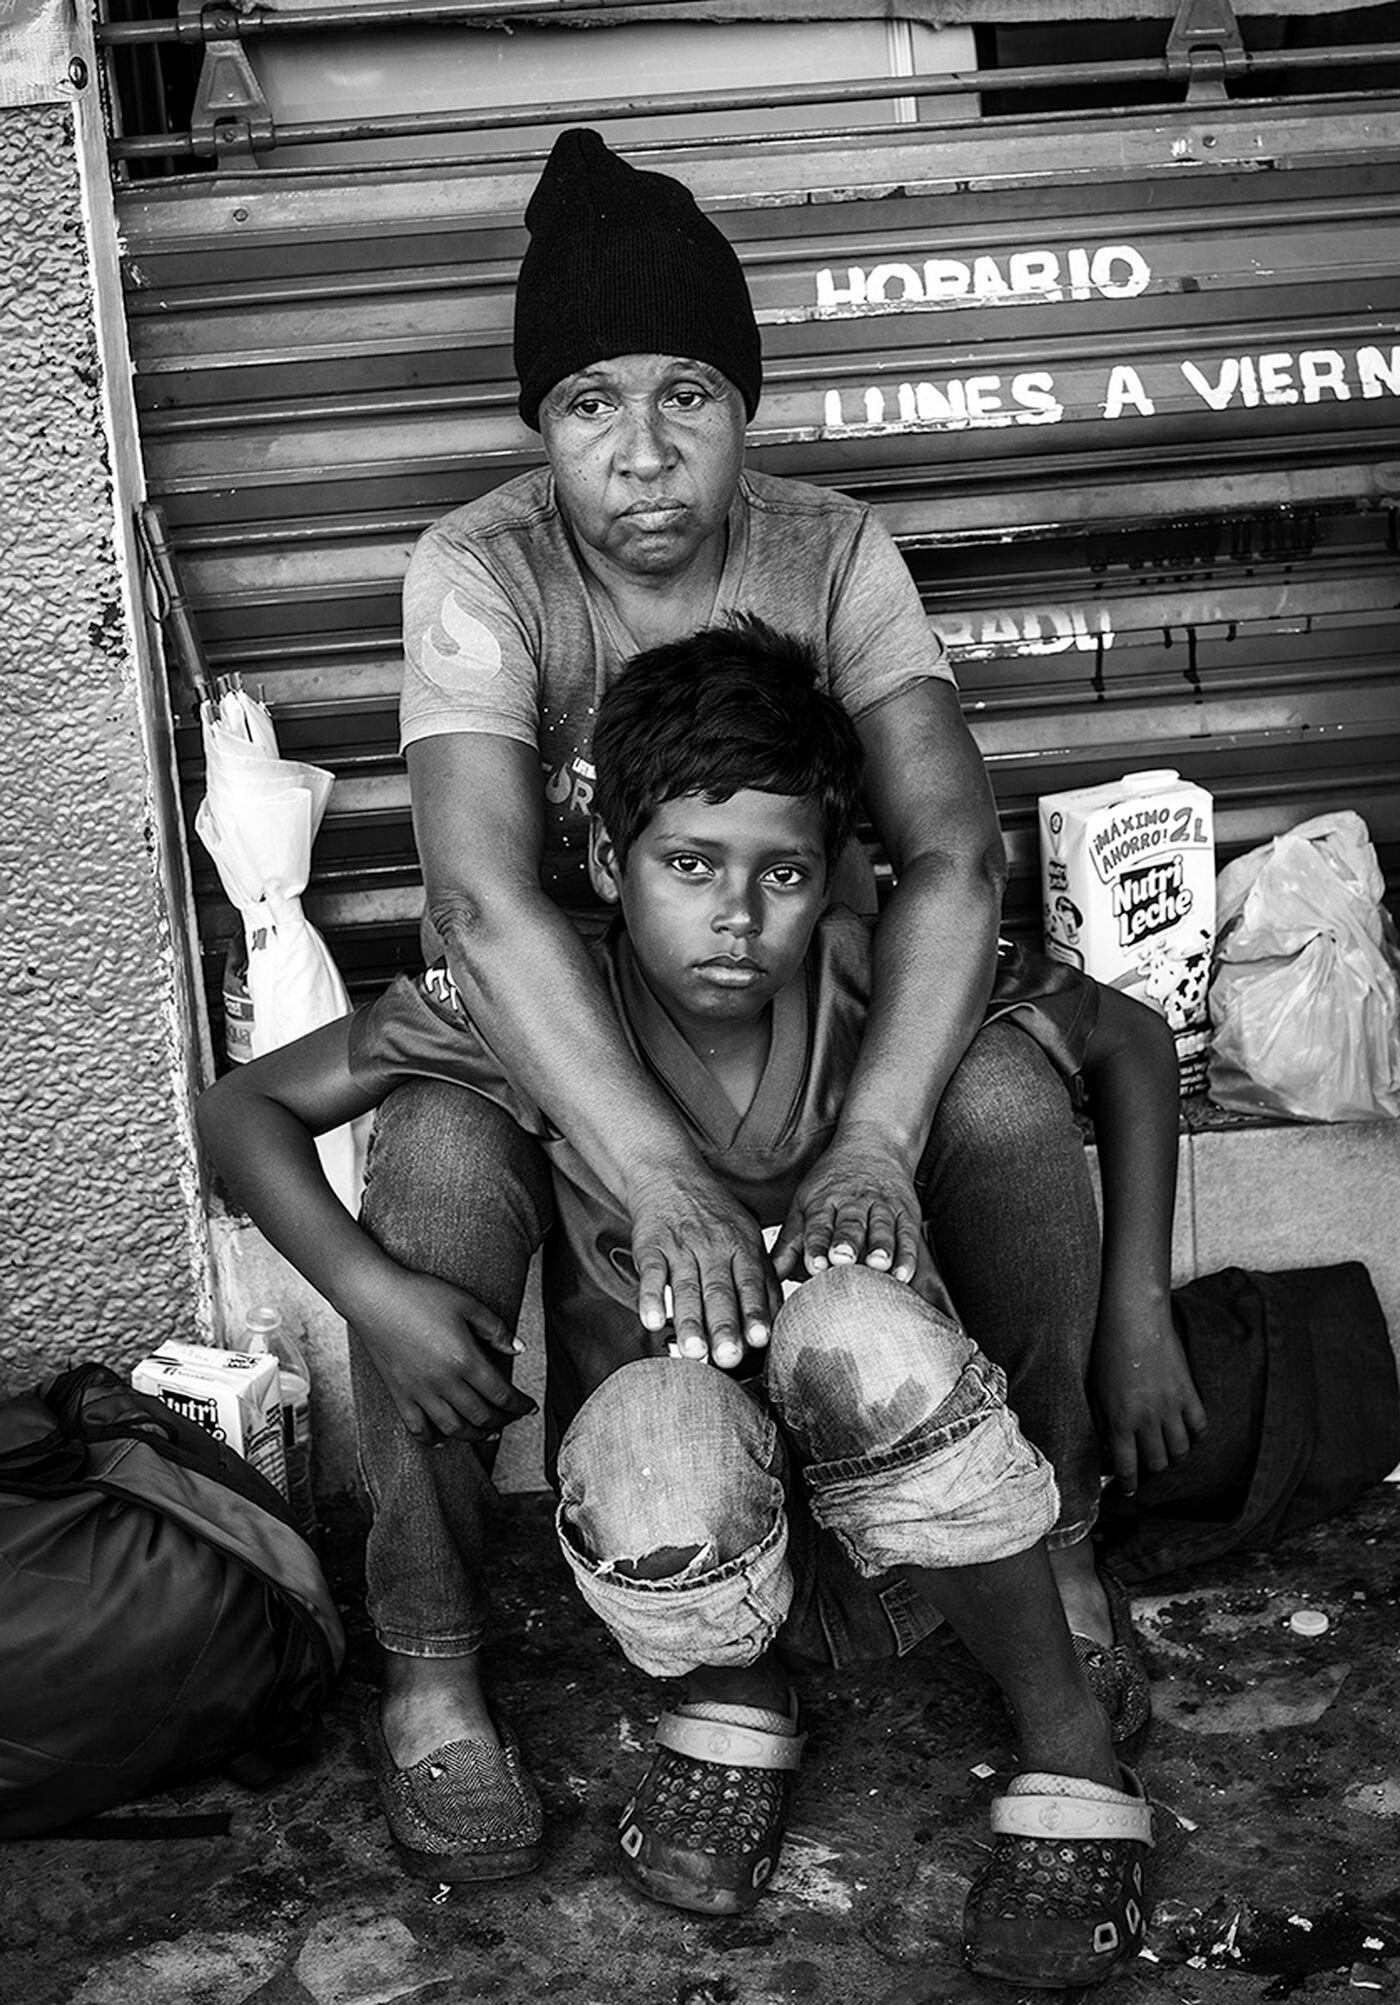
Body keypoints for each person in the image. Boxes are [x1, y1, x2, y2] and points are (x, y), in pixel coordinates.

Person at [277, 125, 1205, 1881]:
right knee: (435, 1158)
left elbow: (951, 856)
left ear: (746, 404)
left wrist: (876, 1133)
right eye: (589, 404)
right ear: (540, 423)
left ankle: (1056, 1539)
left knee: (1005, 1096)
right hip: (561, 1029)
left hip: (785, 1021)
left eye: (687, 395)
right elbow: (479, 900)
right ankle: (435, 1660)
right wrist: (653, 1174)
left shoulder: (831, 550)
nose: (642, 451)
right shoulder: (480, 568)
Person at [196, 618, 1179, 1985]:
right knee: (658, 1420)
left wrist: (1140, 1307)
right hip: (679, 1529)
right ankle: (735, 1705)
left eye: (784, 872)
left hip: (922, 1519)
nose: (737, 915)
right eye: (689, 865)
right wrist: (375, 1294)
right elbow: (243, 1111)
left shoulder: (869, 982)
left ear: (833, 874)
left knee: (854, 1325)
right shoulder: (541, 1017)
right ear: (610, 862)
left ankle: (1068, 1741)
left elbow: (1131, 1038)